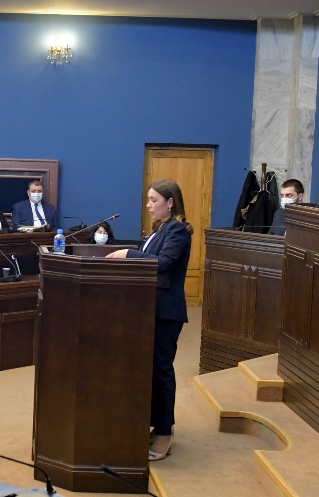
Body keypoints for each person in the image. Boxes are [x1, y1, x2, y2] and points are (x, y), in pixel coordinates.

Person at [105, 178, 192, 461]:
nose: (148, 205)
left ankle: (165, 432)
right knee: (150, 370)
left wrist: (128, 254)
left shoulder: (177, 229)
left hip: (166, 312)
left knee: (161, 371)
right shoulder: (159, 229)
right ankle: (156, 425)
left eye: (154, 200)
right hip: (148, 309)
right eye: (148, 199)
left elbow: (163, 264)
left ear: (170, 202)